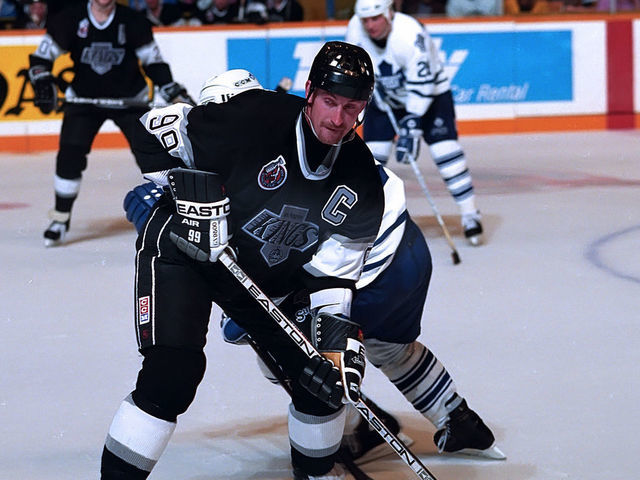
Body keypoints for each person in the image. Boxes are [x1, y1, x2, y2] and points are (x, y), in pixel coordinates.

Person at [124, 137, 505, 467]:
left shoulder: (252, 171)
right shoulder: (275, 135)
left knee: (285, 354)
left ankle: (359, 429)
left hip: (363, 271)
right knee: (389, 346)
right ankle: (458, 419)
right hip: (407, 252)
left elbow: (270, 279)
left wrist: (171, 225)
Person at [101, 42, 385, 480]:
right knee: (172, 375)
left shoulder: (363, 179)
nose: (337, 118)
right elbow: (154, 127)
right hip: (184, 250)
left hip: (258, 279)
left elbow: (333, 276)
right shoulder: (254, 118)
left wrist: (332, 347)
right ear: (309, 91)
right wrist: (163, 189)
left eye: (352, 107)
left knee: (320, 386)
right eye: (330, 102)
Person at [28, 0, 192, 247]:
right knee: (70, 155)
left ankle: (179, 213)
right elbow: (42, 57)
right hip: (84, 100)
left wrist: (169, 87)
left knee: (152, 155)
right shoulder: (69, 18)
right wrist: (41, 78)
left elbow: (153, 62)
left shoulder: (133, 21)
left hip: (129, 99)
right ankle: (60, 218)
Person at [346, 0, 484, 246]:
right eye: (366, 20)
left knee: (446, 153)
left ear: (389, 13)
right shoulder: (354, 29)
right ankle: (369, 219)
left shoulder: (410, 34)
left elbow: (424, 83)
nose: (370, 25)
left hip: (430, 96)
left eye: (376, 18)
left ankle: (470, 214)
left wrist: (412, 124)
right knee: (371, 160)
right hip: (385, 99)